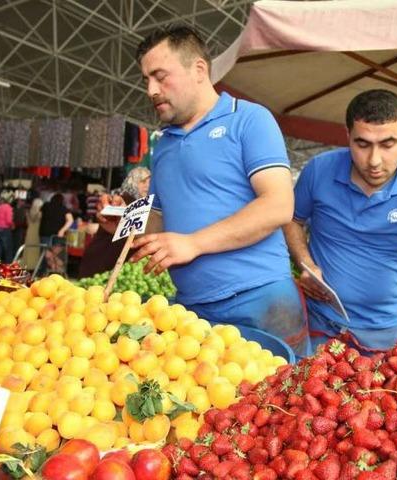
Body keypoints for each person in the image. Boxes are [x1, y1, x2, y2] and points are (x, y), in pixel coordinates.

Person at [131, 25, 309, 355]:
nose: (151, 90)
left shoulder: (250, 120)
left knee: (283, 401)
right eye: (146, 80)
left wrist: (193, 243)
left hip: (261, 302)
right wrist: (127, 230)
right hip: (191, 312)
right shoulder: (164, 146)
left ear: (199, 69)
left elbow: (278, 206)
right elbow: (157, 221)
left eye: (160, 76)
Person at [283, 89, 397, 351]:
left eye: (388, 144)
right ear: (348, 136)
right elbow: (292, 220)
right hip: (318, 322)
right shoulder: (318, 171)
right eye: (362, 144)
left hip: (383, 336)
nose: (374, 161)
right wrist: (305, 263)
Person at [78, 168, 150, 278]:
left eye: (150, 182)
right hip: (101, 266)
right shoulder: (121, 201)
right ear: (132, 182)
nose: (147, 185)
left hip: (118, 272)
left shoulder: (147, 207)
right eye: (143, 181)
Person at [39, 193, 73, 275]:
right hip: (58, 236)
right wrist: (62, 230)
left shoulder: (46, 206)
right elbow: (70, 220)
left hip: (45, 233)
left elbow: (39, 215)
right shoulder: (64, 208)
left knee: (46, 254)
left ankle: (46, 271)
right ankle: (57, 271)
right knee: (56, 254)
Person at [0, 192, 14, 262]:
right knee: (8, 250)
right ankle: (9, 266)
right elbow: (8, 220)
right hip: (4, 230)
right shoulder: (8, 207)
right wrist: (12, 224)